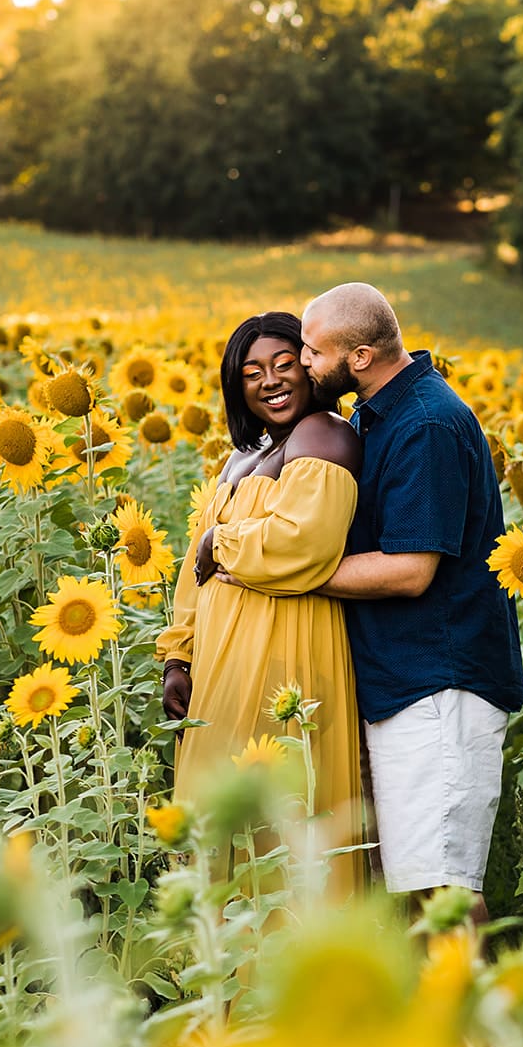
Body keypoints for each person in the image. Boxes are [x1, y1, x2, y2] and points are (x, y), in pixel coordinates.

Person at [299, 283, 523, 923]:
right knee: (417, 888)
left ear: (361, 356)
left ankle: (485, 1026)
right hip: (403, 679)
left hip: (439, 683)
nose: (306, 363)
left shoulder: (425, 423)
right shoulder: (378, 412)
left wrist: (287, 572)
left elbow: (409, 571)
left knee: (445, 890)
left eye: (314, 352)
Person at [157, 312, 365, 896]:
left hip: (286, 652)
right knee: (218, 819)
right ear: (235, 386)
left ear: (309, 366)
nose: (271, 381)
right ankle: (221, 980)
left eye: (283, 364)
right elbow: (191, 577)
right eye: (252, 373)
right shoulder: (242, 457)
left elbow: (304, 544)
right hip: (222, 662)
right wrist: (178, 657)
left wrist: (217, 543)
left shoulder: (325, 434)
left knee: (277, 821)